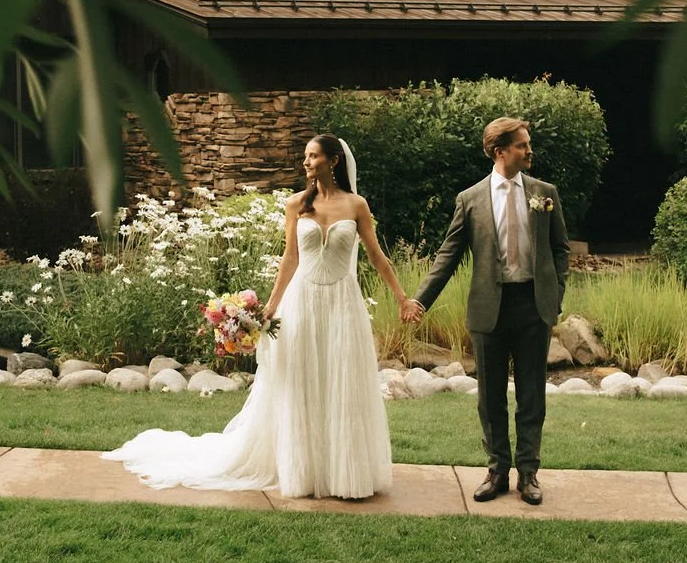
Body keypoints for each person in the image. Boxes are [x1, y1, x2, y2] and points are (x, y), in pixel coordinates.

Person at [103, 134, 408, 499]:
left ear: (333, 161)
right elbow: (290, 258)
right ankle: (306, 474)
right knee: (302, 383)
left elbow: (375, 256)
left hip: (343, 304)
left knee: (342, 382)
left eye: (313, 156)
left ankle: (346, 475)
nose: (306, 162)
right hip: (303, 302)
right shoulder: (296, 204)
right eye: (305, 156)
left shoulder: (356, 205)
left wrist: (403, 299)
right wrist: (270, 308)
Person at [401, 116, 569, 506]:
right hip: (488, 309)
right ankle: (497, 471)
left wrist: (555, 293)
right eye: (522, 145)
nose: (529, 151)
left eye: (528, 144)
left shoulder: (545, 193)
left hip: (533, 305)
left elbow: (561, 249)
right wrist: (421, 300)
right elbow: (448, 255)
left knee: (532, 394)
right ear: (501, 151)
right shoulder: (470, 199)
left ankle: (529, 473)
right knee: (490, 395)